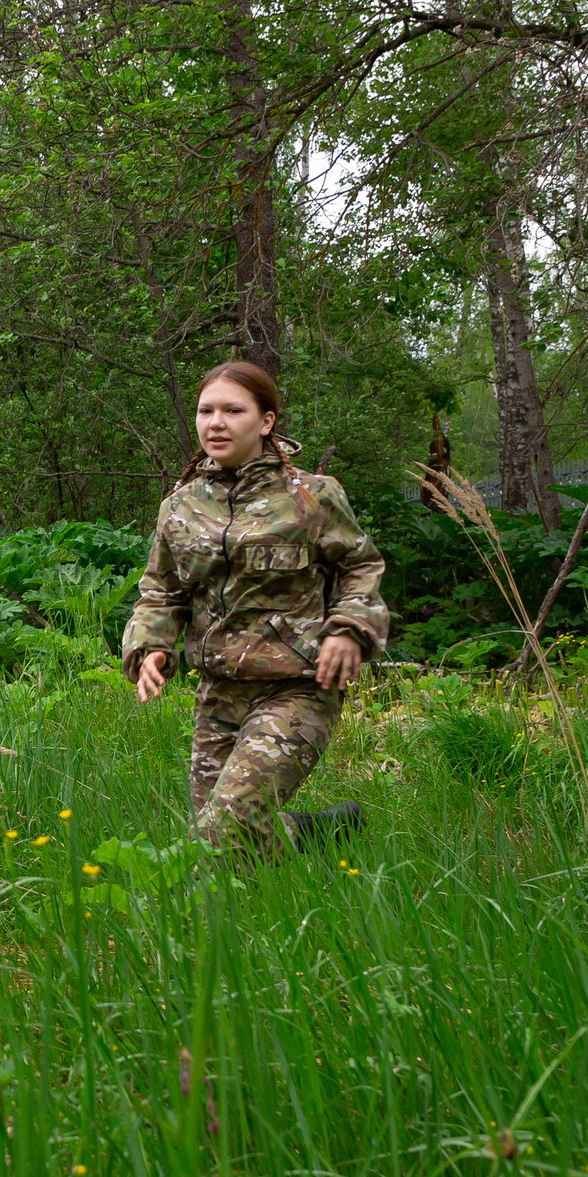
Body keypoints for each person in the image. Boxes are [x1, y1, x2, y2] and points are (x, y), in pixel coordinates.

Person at [121, 361, 387, 852]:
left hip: (299, 688)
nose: (215, 422)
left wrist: (349, 628)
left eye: (232, 410)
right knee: (224, 843)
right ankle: (311, 832)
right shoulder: (180, 506)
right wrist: (150, 648)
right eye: (205, 411)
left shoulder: (312, 496)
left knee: (222, 836)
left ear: (266, 421)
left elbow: (360, 566)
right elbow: (161, 591)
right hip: (218, 694)